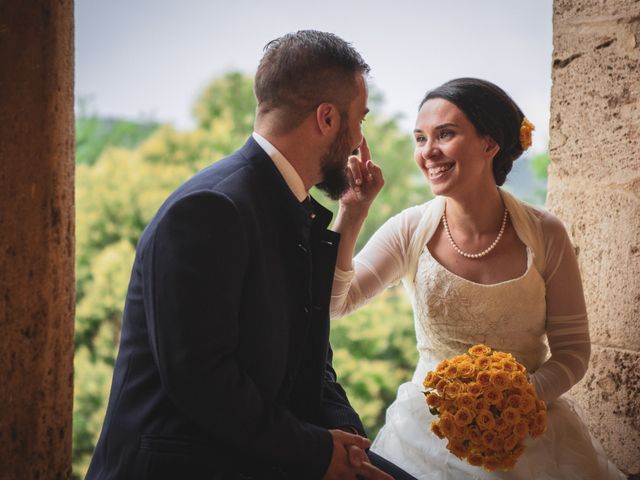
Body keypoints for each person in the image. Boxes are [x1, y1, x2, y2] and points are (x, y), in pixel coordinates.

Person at [86, 30, 415, 480]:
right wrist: (319, 452)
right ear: (326, 119)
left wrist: (348, 442)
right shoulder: (209, 209)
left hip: (261, 449)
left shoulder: (292, 205)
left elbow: (311, 361)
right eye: (359, 119)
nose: (360, 139)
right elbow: (202, 381)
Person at [330, 78, 627, 479]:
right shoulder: (409, 229)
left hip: (532, 439)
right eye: (420, 139)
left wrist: (517, 401)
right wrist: (352, 212)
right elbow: (335, 303)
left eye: (445, 134)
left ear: (490, 144)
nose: (428, 152)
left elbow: (573, 351)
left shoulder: (545, 233)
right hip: (423, 438)